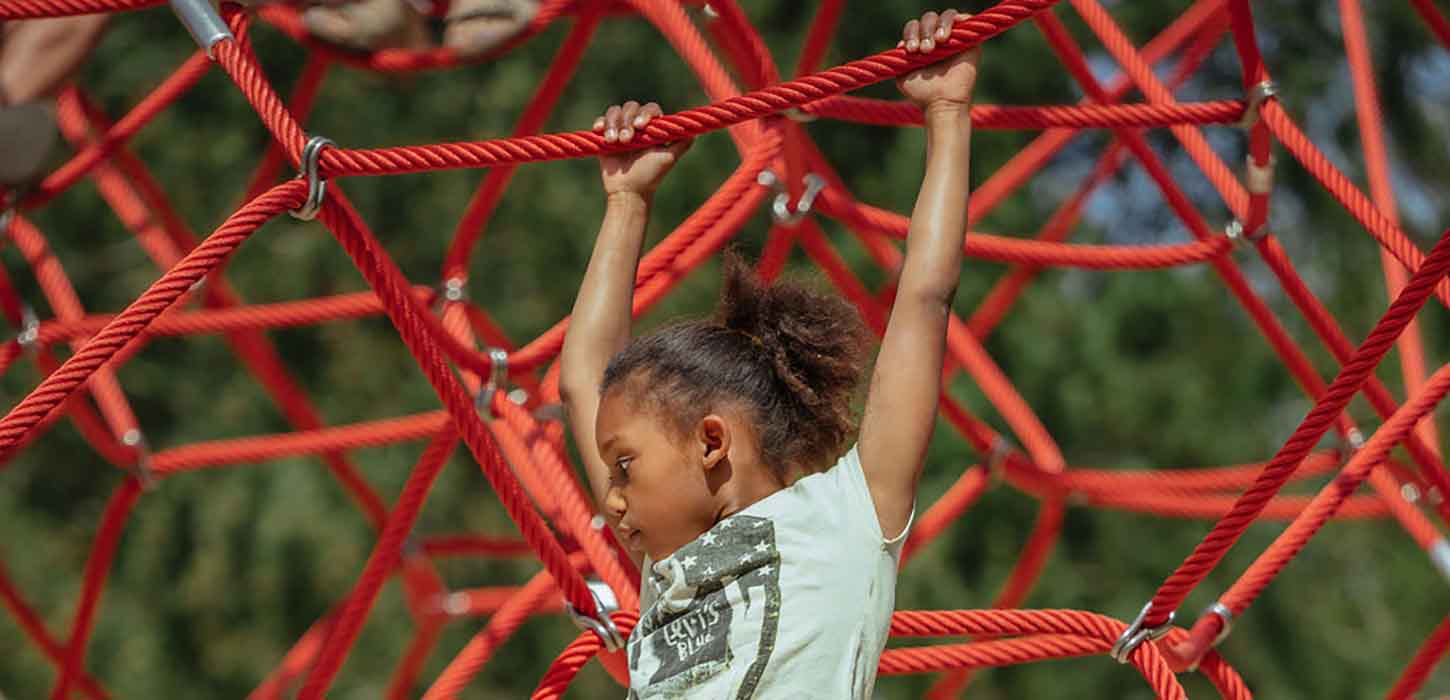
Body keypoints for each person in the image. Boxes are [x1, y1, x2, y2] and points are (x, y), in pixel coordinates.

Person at [559, 9, 978, 698]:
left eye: (625, 466)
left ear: (712, 443)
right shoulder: (671, 573)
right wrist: (627, 203)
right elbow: (582, 382)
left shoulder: (846, 517)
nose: (610, 499)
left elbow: (924, 300)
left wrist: (949, 112)